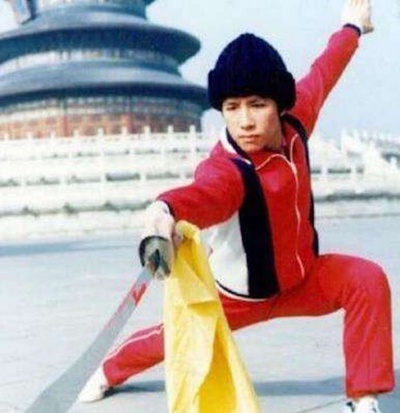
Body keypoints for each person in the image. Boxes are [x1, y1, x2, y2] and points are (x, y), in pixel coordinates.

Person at [78, 0, 394, 411]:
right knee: (171, 337)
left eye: (257, 105)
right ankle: (109, 370)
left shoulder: (297, 122)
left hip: (302, 280)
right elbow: (201, 195)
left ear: (280, 104)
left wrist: (352, 27)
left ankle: (364, 398)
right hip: (236, 297)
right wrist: (163, 212)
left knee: (366, 279)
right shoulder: (227, 170)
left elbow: (324, 71)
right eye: (231, 108)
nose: (244, 120)